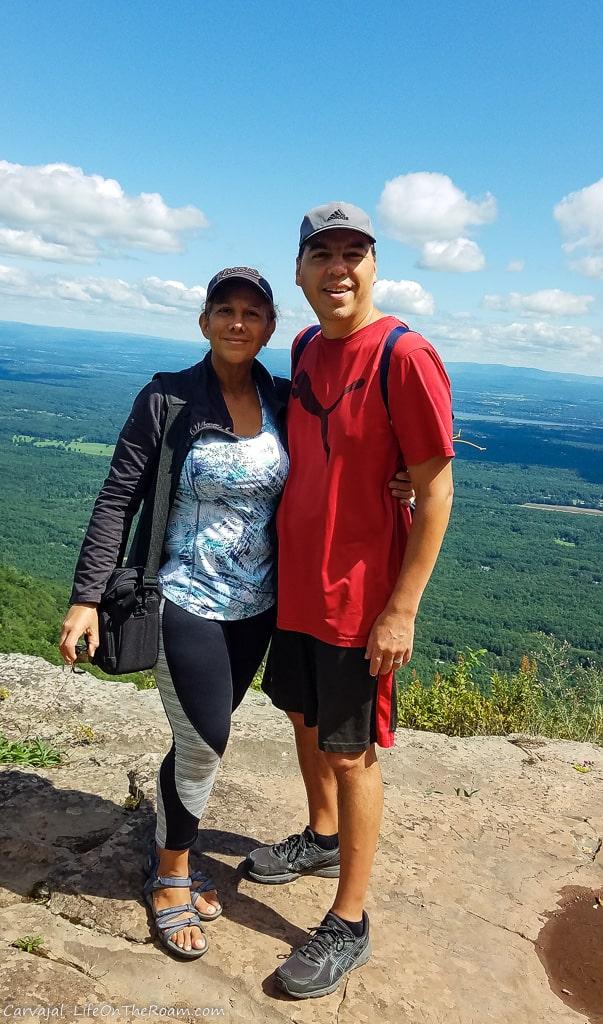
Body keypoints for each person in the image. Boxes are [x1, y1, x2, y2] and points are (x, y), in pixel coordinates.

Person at [59, 263, 417, 961]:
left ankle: (181, 849)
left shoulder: (284, 398)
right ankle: (169, 878)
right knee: (204, 742)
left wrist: (400, 476)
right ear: (204, 322)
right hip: (182, 598)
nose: (236, 322)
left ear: (268, 329)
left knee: (206, 736)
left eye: (251, 313)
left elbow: (343, 448)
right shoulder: (167, 399)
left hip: (261, 606)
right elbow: (116, 497)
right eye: (223, 310)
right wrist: (86, 596)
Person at [246, 202, 455, 1000]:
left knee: (349, 749)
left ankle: (349, 921)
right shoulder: (302, 347)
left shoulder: (404, 354)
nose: (338, 268)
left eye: (354, 254)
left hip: (359, 598)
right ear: (299, 272)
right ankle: (322, 837)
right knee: (303, 719)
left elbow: (435, 493)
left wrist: (400, 609)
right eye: (322, 255)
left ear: (374, 267)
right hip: (295, 585)